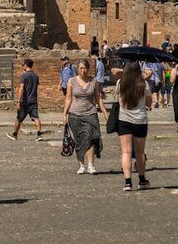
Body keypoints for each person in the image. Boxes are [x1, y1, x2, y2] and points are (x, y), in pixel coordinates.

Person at [61, 59, 108, 175]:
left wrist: (105, 112)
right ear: (78, 69)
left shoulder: (94, 81)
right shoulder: (71, 81)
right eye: (81, 68)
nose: (83, 71)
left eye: (85, 68)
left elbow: (98, 98)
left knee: (91, 138)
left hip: (90, 113)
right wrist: (64, 114)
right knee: (80, 140)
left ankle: (91, 165)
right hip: (75, 115)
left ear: (88, 69)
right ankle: (81, 165)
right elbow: (68, 98)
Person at [116, 62, 152, 191]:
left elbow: (118, 100)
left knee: (126, 152)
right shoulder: (144, 84)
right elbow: (149, 103)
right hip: (140, 121)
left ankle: (128, 182)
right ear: (139, 71)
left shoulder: (120, 83)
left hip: (124, 120)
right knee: (140, 152)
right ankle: (142, 180)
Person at [7, 59, 43, 141]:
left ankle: (14, 135)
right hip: (34, 100)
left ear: (26, 65)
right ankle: (39, 135)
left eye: (23, 65)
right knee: (36, 118)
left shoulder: (24, 75)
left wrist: (18, 101)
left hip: (25, 102)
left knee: (19, 119)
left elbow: (21, 89)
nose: (22, 66)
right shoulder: (36, 76)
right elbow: (36, 86)